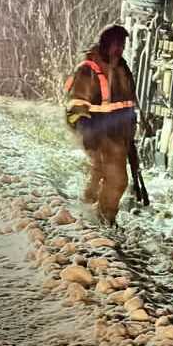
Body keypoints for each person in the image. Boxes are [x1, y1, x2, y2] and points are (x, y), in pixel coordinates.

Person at [64, 24, 137, 224]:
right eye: (116, 44)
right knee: (116, 180)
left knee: (102, 177)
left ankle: (91, 215)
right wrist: (89, 136)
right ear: (105, 44)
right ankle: (102, 218)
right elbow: (75, 107)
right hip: (98, 133)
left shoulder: (122, 67)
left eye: (122, 44)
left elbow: (128, 102)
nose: (120, 49)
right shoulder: (88, 70)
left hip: (119, 135)